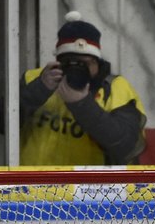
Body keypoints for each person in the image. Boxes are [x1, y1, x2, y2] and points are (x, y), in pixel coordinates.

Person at [10, 11, 146, 165]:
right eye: (70, 62)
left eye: (85, 63)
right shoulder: (35, 79)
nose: (77, 69)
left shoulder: (116, 88)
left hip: (89, 187)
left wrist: (82, 103)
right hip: (34, 184)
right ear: (58, 61)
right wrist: (40, 88)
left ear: (97, 62)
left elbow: (126, 145)